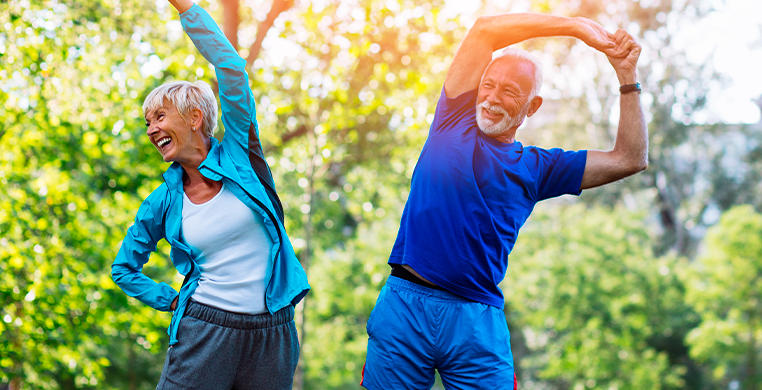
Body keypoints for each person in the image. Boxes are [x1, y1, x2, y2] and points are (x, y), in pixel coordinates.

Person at [362, 13, 646, 390]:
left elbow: (630, 158)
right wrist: (575, 26)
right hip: (405, 307)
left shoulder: (540, 167)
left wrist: (627, 78)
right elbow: (484, 30)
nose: (493, 98)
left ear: (532, 106)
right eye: (488, 85)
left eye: (510, 92)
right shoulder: (452, 119)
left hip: (477, 324)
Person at [110, 0, 309, 388]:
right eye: (147, 122)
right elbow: (124, 268)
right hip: (205, 331)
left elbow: (232, 69)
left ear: (195, 118)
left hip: (273, 333)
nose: (151, 130)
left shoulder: (239, 154)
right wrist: (170, 301)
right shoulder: (163, 202)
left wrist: (187, 8)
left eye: (160, 116)